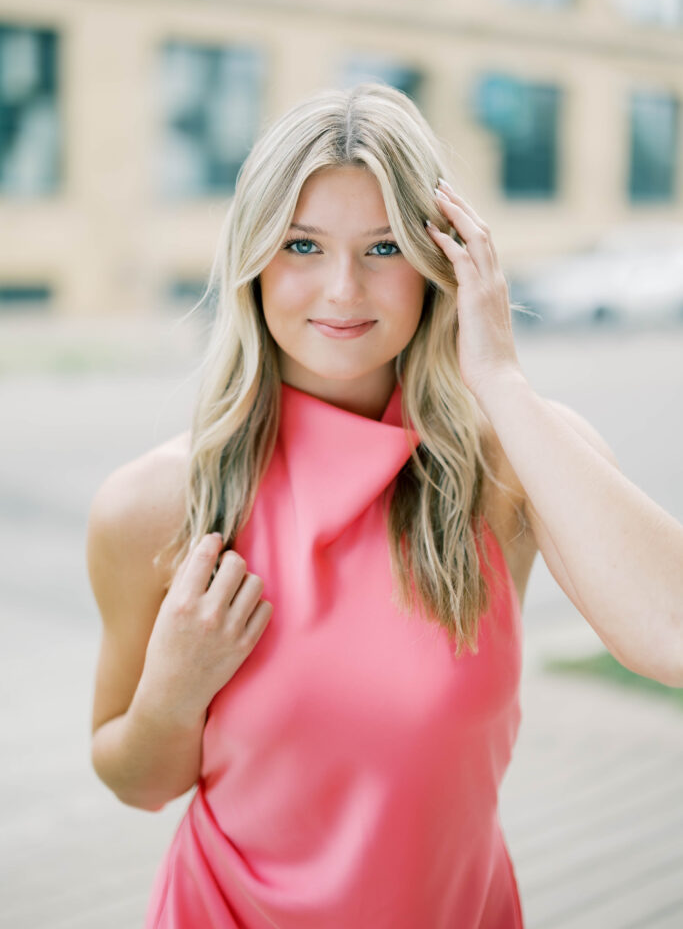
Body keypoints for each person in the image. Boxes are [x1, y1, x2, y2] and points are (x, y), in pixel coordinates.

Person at [86, 82, 683, 929]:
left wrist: (498, 377)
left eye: (383, 248)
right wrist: (172, 695)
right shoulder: (154, 504)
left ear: (442, 262)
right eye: (301, 244)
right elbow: (135, 783)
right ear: (252, 259)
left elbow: (671, 632)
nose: (342, 290)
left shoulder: (505, 466)